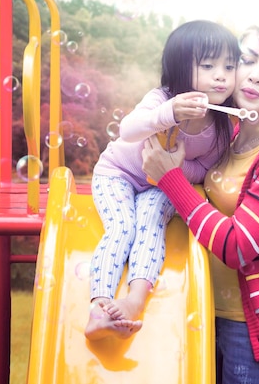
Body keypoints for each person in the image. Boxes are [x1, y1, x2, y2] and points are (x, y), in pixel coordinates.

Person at [142, 20, 259, 383]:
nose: (255, 76)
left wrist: (171, 179)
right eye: (246, 60)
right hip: (206, 315)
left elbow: (237, 246)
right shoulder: (231, 136)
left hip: (256, 330)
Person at [85, 20, 239, 341]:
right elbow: (128, 130)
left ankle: (133, 300)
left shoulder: (223, 122)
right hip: (118, 174)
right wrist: (169, 112)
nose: (222, 75)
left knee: (151, 222)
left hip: (162, 183)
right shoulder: (163, 98)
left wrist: (174, 168)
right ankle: (99, 308)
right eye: (208, 65)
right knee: (123, 227)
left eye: (229, 65)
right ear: (180, 70)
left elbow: (205, 170)